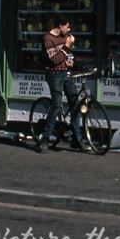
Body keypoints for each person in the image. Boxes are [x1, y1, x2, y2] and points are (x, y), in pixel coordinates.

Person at [36, 17, 88, 152]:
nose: (69, 29)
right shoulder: (48, 39)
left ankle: (77, 139)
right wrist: (67, 46)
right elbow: (54, 60)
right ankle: (45, 139)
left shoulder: (66, 37)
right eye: (67, 26)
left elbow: (66, 56)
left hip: (66, 73)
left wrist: (72, 61)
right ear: (60, 26)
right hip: (54, 75)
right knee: (56, 105)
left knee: (75, 103)